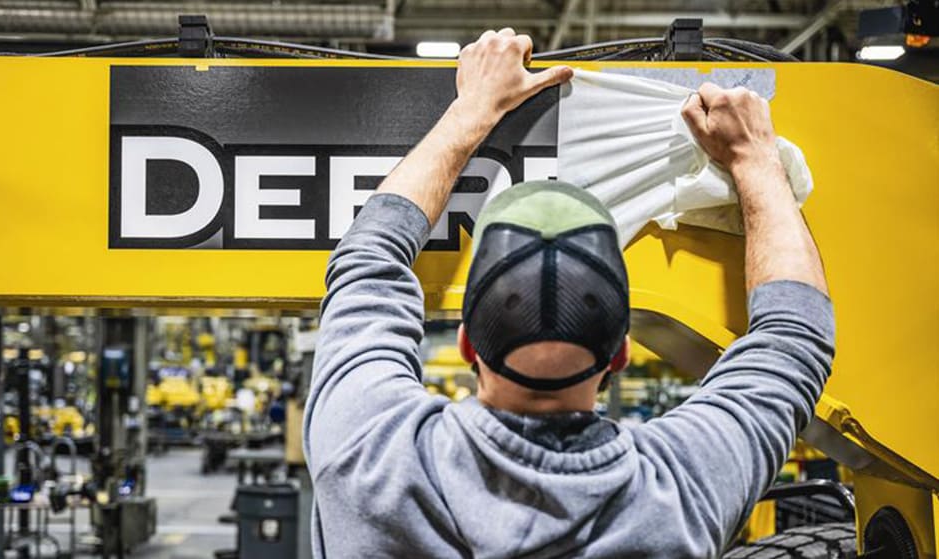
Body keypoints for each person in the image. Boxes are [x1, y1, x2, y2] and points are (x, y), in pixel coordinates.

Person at [303, 28, 834, 558]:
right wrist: (754, 159)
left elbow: (369, 256)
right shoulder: (676, 493)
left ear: (467, 345)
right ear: (620, 353)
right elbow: (794, 335)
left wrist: (473, 111)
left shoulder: (370, 453)